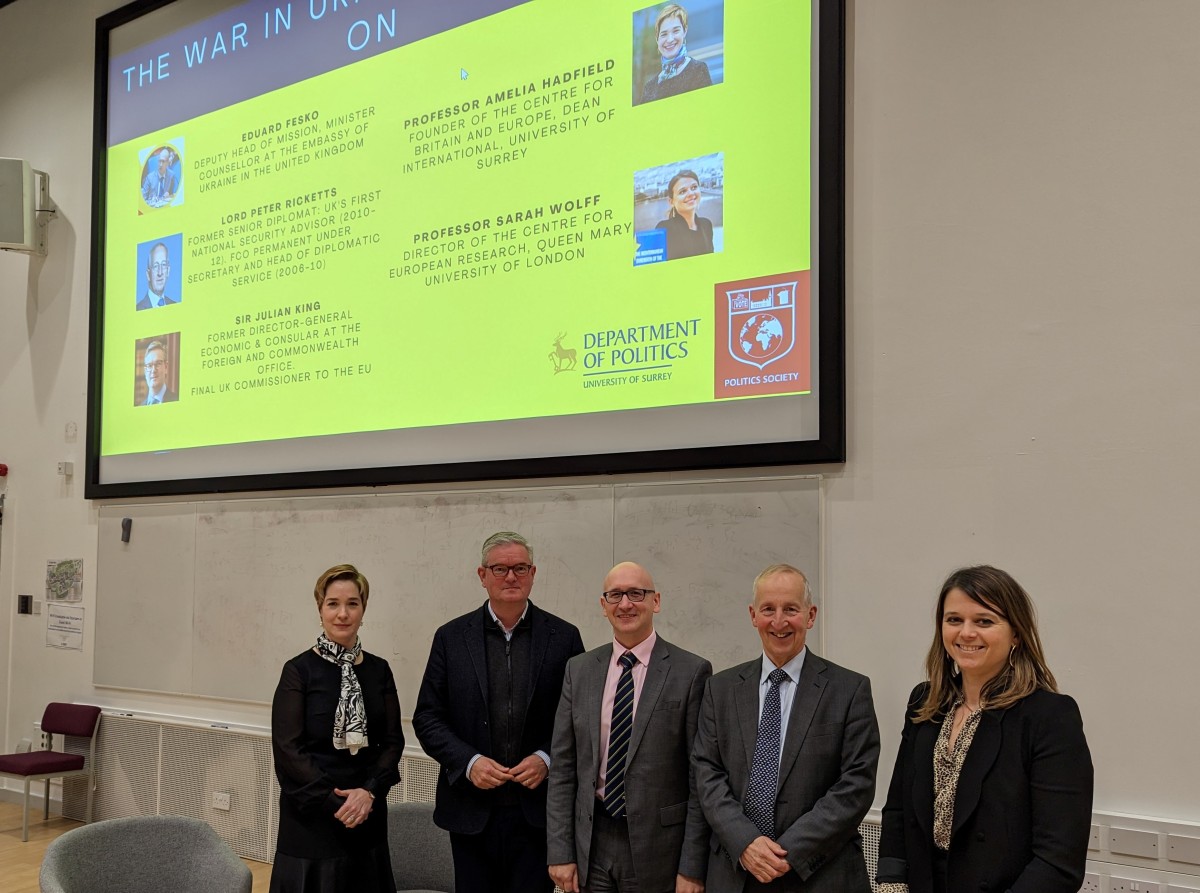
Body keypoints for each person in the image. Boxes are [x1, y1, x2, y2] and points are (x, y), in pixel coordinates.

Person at [876, 566, 1093, 893]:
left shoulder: (1049, 717)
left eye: (984, 621)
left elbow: (1058, 861)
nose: (966, 633)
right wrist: (891, 886)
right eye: (953, 620)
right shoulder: (924, 702)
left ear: (1016, 634)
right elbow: (898, 812)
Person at [413, 531, 585, 893]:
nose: (511, 577)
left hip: (537, 813)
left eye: (520, 568)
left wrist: (547, 758)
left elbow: (579, 719)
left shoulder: (564, 637)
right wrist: (469, 761)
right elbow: (427, 717)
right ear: (482, 575)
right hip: (470, 810)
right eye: (500, 568)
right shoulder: (451, 637)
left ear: (533, 572)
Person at [692, 564, 879, 892]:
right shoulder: (720, 689)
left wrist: (786, 852)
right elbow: (707, 773)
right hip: (737, 872)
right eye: (768, 609)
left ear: (810, 616)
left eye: (790, 609)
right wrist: (747, 842)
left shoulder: (849, 690)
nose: (779, 622)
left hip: (819, 873)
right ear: (753, 615)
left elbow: (856, 784)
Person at [547, 561, 712, 893]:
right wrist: (560, 852)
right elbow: (564, 769)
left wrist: (692, 867)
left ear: (656, 601)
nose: (626, 604)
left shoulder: (691, 672)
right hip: (591, 844)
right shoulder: (578, 671)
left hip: (658, 848)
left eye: (637, 593)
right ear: (603, 605)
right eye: (616, 595)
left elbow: (701, 778)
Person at [269, 564, 405, 892]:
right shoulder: (298, 671)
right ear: (320, 609)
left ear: (363, 609)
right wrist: (336, 803)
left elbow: (392, 742)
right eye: (333, 603)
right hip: (311, 820)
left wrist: (368, 792)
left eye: (352, 603)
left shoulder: (379, 670)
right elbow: (289, 749)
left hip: (366, 814)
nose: (342, 613)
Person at [640, 4, 713, 105]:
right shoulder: (649, 88)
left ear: (685, 31)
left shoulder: (698, 70)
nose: (670, 39)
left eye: (675, 31)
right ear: (657, 39)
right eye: (664, 34)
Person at [655, 170, 714, 261]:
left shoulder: (707, 224)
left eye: (694, 187)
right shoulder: (664, 229)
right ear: (671, 202)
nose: (691, 193)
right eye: (682, 192)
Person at [137, 242, 178, 310]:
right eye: (155, 266)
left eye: (163, 265)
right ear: (148, 275)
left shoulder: (175, 307)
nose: (160, 272)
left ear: (168, 271)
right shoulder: (138, 309)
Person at [140, 340, 177, 405]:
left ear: (166, 367)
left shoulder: (176, 400)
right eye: (149, 366)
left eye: (158, 364)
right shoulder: (140, 406)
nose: (153, 370)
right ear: (145, 371)